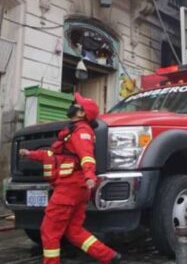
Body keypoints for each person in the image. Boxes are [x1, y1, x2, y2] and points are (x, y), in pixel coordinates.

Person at [19, 93, 122, 264]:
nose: (73, 104)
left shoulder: (81, 132)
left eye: (76, 104)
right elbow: (52, 155)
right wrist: (30, 154)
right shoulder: (73, 131)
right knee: (74, 231)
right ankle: (110, 257)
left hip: (69, 188)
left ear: (81, 113)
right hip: (76, 188)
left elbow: (87, 156)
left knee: (49, 231)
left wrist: (90, 175)